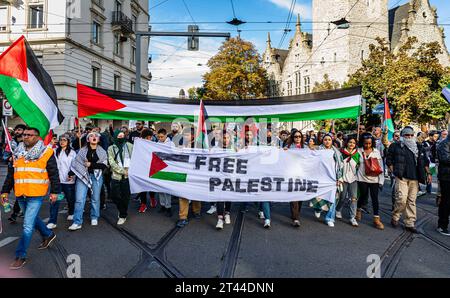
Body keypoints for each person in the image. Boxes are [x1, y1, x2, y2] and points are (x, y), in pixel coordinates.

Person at [1, 127, 60, 270]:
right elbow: (11, 174)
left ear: (37, 137)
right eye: (24, 134)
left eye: (29, 135)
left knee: (27, 225)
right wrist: (5, 191)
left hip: (36, 194)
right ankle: (48, 234)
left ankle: (20, 256)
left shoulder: (46, 152)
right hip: (21, 194)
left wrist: (55, 192)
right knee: (32, 219)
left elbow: (54, 174)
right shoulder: (17, 153)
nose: (25, 137)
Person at [386, 126, 431, 233]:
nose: (409, 137)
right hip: (401, 177)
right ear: (402, 136)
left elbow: (424, 161)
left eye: (411, 135)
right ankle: (396, 216)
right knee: (401, 199)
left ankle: (409, 223)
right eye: (407, 135)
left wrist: (428, 173)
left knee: (411, 201)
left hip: (415, 178)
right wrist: (394, 171)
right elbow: (389, 159)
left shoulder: (418, 146)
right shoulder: (395, 146)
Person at [69, 132, 108, 231]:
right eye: (91, 136)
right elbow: (76, 163)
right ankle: (77, 221)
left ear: (98, 140)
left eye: (96, 136)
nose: (94, 137)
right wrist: (71, 174)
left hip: (96, 177)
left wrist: (91, 164)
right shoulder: (82, 151)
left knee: (95, 198)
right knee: (79, 199)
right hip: (83, 176)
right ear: (87, 139)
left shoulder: (102, 151)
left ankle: (94, 216)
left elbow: (104, 165)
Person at [310, 134, 344, 227]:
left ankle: (330, 218)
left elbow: (340, 166)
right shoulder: (317, 150)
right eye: (325, 139)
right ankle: (318, 209)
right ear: (322, 141)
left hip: (332, 179)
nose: (327, 141)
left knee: (332, 198)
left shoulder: (336, 152)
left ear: (332, 141)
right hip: (320, 178)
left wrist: (339, 178)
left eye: (329, 139)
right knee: (318, 196)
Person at [355, 133, 385, 230]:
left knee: (374, 198)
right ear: (362, 143)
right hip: (361, 178)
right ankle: (358, 210)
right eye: (365, 143)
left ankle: (376, 218)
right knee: (363, 196)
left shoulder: (376, 152)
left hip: (374, 179)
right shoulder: (358, 151)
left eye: (369, 143)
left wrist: (381, 181)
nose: (367, 145)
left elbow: (381, 167)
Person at [47, 134, 77, 229]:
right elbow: (45, 152)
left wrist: (71, 174)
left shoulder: (72, 153)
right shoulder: (55, 151)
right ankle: (52, 221)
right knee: (54, 200)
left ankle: (71, 212)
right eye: (60, 140)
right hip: (57, 181)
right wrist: (50, 144)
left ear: (68, 141)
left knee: (70, 198)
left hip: (68, 181)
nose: (62, 141)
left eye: (64, 140)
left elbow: (75, 165)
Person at [176, 128, 201, 228]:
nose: (185, 137)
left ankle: (197, 210)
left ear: (193, 136)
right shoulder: (180, 145)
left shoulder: (200, 146)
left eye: (187, 135)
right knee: (183, 195)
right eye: (184, 135)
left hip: (196, 174)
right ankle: (183, 217)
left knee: (196, 193)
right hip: (184, 173)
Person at [108, 130, 133, 225]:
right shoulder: (111, 148)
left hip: (127, 177)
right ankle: (122, 210)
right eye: (118, 136)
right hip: (116, 176)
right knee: (114, 196)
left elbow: (135, 156)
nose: (121, 137)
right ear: (115, 137)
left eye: (122, 136)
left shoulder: (129, 146)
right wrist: (123, 171)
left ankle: (123, 215)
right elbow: (111, 162)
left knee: (126, 197)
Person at [336, 137, 360, 227]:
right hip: (343, 179)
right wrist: (339, 177)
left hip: (354, 179)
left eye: (353, 143)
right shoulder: (341, 153)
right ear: (346, 143)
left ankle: (352, 217)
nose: (351, 144)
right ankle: (338, 210)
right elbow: (338, 166)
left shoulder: (358, 154)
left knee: (354, 198)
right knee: (342, 197)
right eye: (350, 142)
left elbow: (360, 166)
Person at [7, 124, 27, 223]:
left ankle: (15, 213)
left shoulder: (27, 143)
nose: (17, 131)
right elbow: (6, 154)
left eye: (19, 130)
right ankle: (19, 211)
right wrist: (9, 157)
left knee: (21, 194)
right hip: (12, 170)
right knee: (18, 194)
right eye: (16, 130)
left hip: (23, 172)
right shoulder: (11, 141)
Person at [286, 129, 305, 227]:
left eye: (299, 136)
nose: (298, 138)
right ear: (293, 138)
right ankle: (295, 218)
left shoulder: (305, 147)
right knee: (294, 196)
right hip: (292, 174)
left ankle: (296, 213)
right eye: (296, 137)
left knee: (300, 196)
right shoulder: (288, 147)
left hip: (303, 175)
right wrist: (283, 152)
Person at [215, 131, 234, 230]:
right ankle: (220, 218)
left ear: (230, 139)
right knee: (220, 197)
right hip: (218, 177)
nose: (225, 140)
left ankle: (227, 213)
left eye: (227, 138)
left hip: (230, 177)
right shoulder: (215, 149)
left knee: (228, 196)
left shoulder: (234, 149)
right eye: (224, 138)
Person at [137, 128, 158, 213]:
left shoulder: (154, 144)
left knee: (151, 185)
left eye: (150, 137)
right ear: (143, 137)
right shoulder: (138, 144)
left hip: (151, 168)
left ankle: (152, 198)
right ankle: (143, 204)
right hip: (141, 168)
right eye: (147, 137)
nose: (149, 139)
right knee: (142, 187)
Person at [155, 128, 174, 217]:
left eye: (162, 137)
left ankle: (168, 207)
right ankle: (162, 205)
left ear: (166, 135)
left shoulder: (171, 144)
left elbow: (173, 156)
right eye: (159, 137)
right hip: (159, 168)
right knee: (160, 189)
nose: (160, 138)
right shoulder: (158, 143)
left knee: (167, 189)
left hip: (168, 168)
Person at [436, 128, 450, 236]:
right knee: (446, 201)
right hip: (446, 177)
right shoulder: (444, 144)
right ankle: (442, 225)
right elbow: (445, 159)